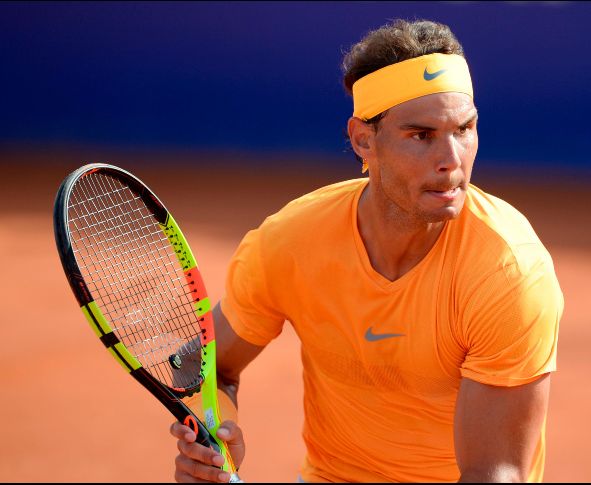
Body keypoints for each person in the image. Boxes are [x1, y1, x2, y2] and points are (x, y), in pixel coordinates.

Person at [170, 19, 564, 483]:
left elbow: (494, 474)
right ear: (363, 139)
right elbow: (202, 364)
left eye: (464, 128)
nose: (452, 159)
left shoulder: (508, 271)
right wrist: (215, 433)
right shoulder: (294, 240)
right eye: (422, 135)